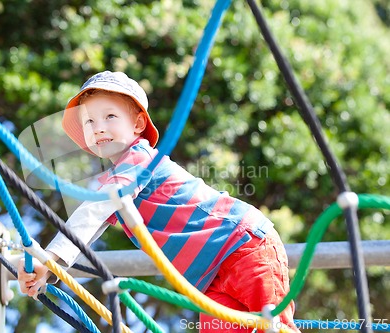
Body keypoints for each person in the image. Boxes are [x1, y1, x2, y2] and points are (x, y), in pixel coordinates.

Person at [18, 71, 300, 332]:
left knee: (274, 327)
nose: (98, 128)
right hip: (210, 278)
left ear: (138, 124)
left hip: (245, 247)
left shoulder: (139, 159)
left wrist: (48, 258)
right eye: (89, 121)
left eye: (110, 117)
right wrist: (51, 271)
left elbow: (94, 210)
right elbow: (90, 227)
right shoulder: (116, 182)